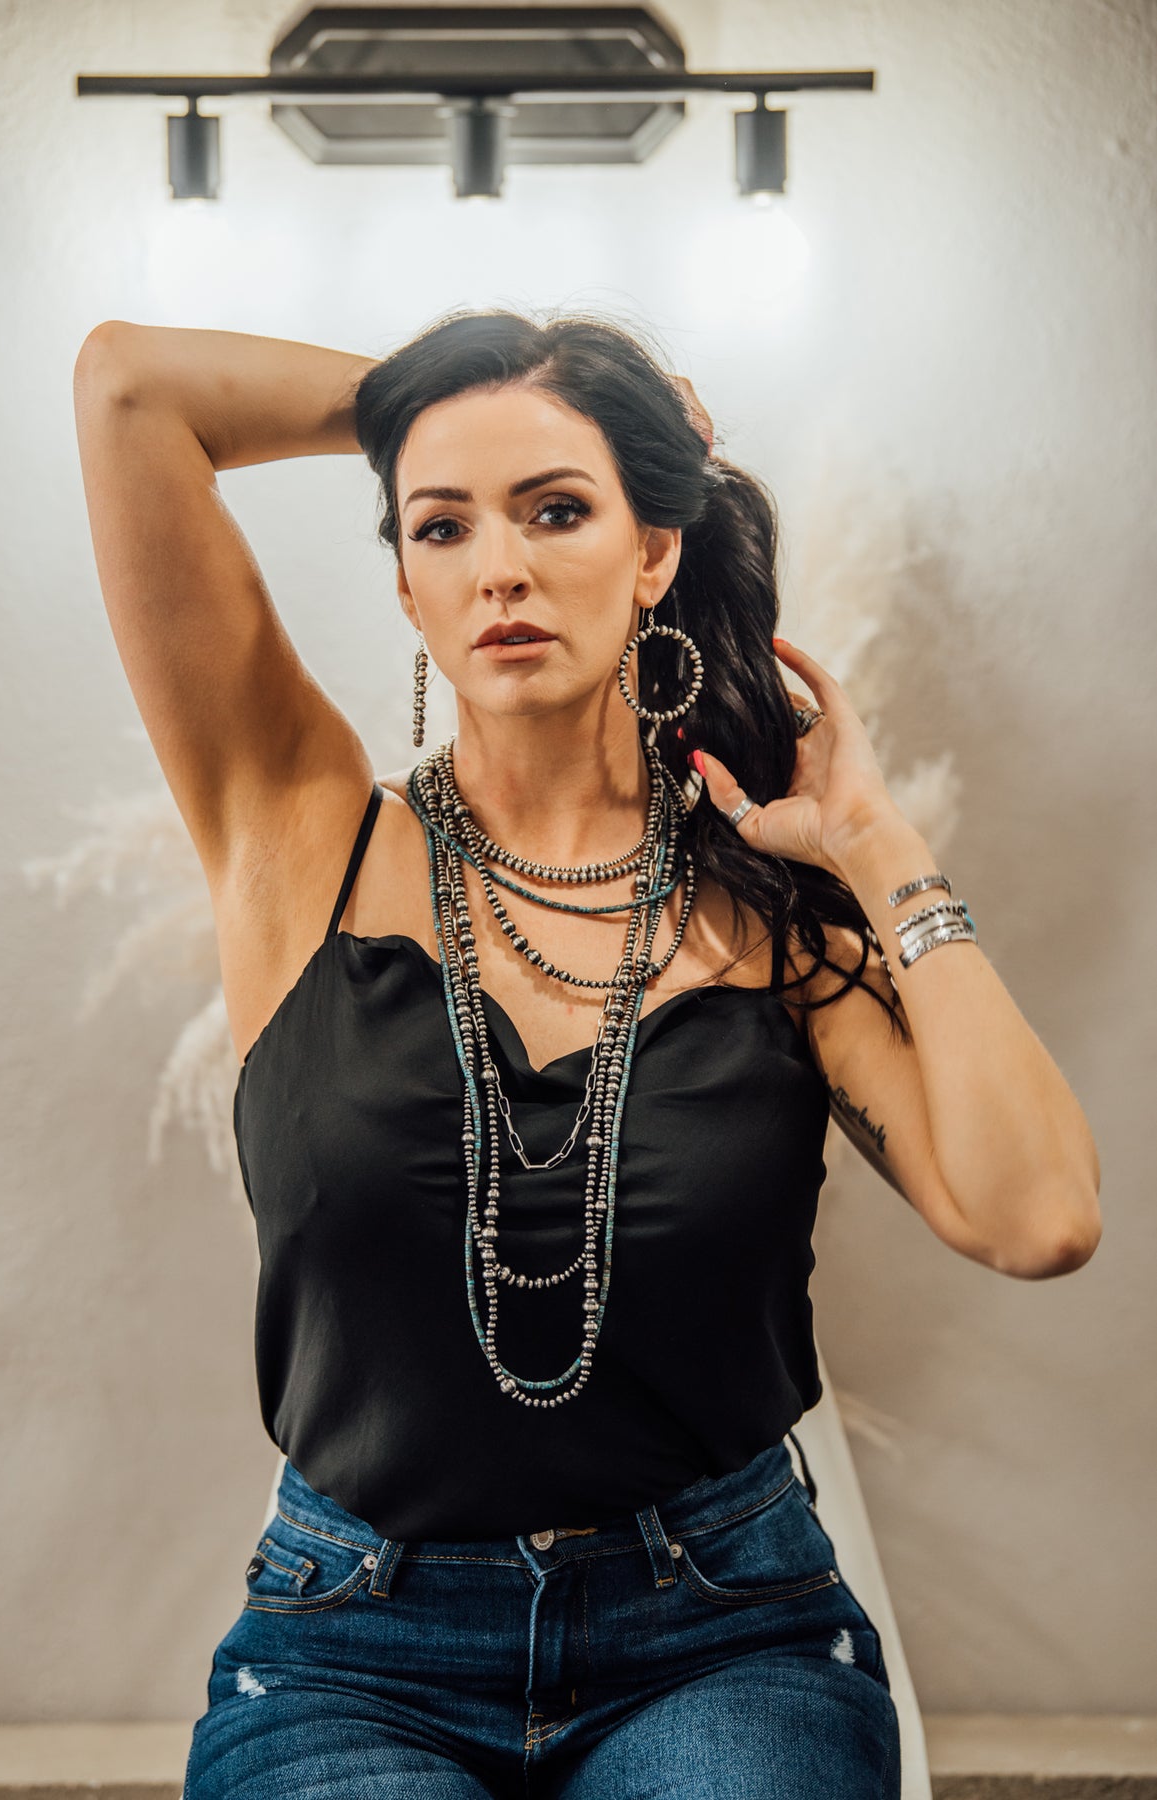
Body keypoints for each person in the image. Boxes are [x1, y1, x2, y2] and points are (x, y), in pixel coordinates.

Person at [73, 307, 1101, 1799]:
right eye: (443, 525)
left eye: (556, 508)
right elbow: (128, 389)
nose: (498, 566)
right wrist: (461, 398)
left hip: (720, 1630)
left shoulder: (770, 922)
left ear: (654, 550)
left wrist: (878, 849)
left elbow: (1039, 1216)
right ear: (410, 584)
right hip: (353, 1646)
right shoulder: (296, 837)